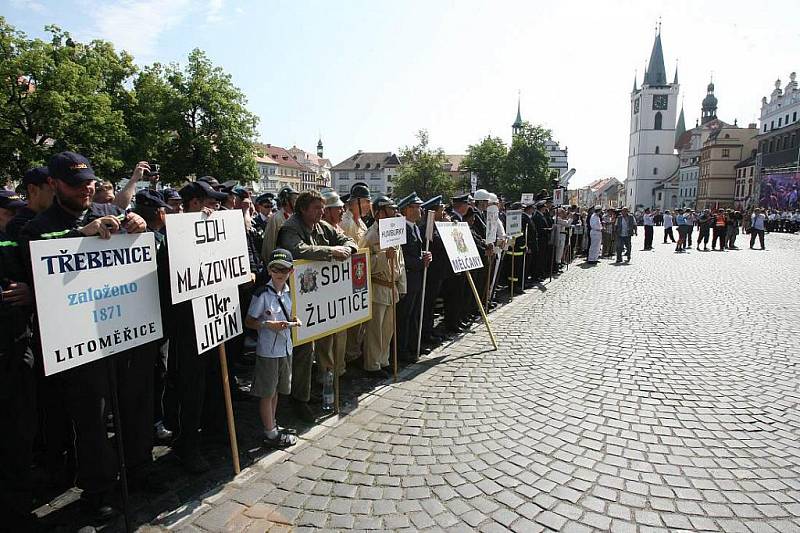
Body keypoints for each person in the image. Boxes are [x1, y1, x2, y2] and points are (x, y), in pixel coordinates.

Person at [19, 152, 147, 521]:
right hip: (77, 343)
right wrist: (81, 236)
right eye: (77, 185)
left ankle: (136, 470)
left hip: (119, 329)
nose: (86, 189)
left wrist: (137, 224)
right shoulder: (39, 225)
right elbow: (38, 263)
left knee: (130, 406)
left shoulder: (103, 210)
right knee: (91, 420)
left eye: (90, 182)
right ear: (55, 185)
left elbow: (140, 247)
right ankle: (96, 491)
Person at [161, 179, 229, 475]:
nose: (215, 207)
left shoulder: (214, 232)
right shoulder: (171, 236)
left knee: (213, 381)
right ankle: (185, 445)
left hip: (212, 319)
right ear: (193, 204)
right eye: (210, 202)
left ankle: (212, 433)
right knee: (189, 387)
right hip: (185, 327)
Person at [276, 190, 357, 422]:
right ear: (303, 209)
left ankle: (309, 391)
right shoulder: (291, 227)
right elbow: (297, 250)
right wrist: (331, 252)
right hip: (293, 298)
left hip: (317, 298)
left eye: (322, 208)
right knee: (302, 349)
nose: (322, 213)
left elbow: (346, 240)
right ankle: (297, 399)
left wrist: (347, 250)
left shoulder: (322, 226)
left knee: (317, 345)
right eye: (316, 209)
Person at [0, 191, 35, 530]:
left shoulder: (10, 243)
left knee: (18, 432)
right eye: (8, 211)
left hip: (16, 343)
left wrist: (32, 291)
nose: (14, 217)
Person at [245, 248, 300, 448]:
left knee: (276, 390)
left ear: (291, 272)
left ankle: (273, 426)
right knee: (267, 393)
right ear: (269, 270)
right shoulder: (262, 294)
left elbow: (288, 315)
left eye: (284, 270)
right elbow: (250, 321)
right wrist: (268, 325)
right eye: (275, 269)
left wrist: (293, 321)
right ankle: (270, 432)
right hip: (268, 350)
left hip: (284, 348)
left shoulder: (288, 292)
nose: (279, 273)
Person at [359, 196, 405, 378]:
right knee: (375, 331)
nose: (393, 213)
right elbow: (362, 263)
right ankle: (372, 364)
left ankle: (384, 360)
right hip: (377, 286)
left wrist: (401, 285)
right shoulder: (370, 235)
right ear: (379, 213)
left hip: (391, 286)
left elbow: (399, 261)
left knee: (388, 329)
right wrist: (382, 257)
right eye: (389, 210)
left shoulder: (394, 232)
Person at [315, 190, 348, 377]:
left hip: (341, 290)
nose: (342, 211)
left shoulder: (340, 230)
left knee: (340, 334)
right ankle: (326, 373)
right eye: (338, 209)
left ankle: (339, 368)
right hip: (325, 292)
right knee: (326, 338)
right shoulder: (321, 230)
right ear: (327, 211)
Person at [396, 192, 431, 361]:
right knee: (405, 316)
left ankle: (413, 345)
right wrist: (420, 261)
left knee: (415, 313)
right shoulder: (402, 228)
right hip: (408, 278)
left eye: (419, 207)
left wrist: (425, 255)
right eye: (416, 207)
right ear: (406, 210)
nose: (420, 210)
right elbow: (402, 255)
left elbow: (415, 251)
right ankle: (402, 351)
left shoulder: (414, 227)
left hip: (416, 278)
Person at [340, 183, 371, 365]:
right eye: (366, 201)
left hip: (360, 276)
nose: (368, 205)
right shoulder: (348, 222)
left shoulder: (360, 222)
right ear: (355, 203)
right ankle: (349, 355)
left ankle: (354, 352)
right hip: (350, 277)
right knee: (350, 323)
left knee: (358, 321)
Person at [7, 167, 54, 239]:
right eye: (53, 186)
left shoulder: (62, 218)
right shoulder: (18, 225)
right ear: (32, 189)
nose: (60, 193)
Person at [261, 186, 299, 263]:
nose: (297, 203)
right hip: (281, 262)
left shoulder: (298, 217)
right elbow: (269, 244)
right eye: (294, 200)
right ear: (287, 201)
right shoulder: (276, 218)